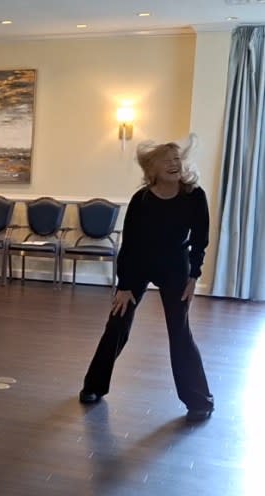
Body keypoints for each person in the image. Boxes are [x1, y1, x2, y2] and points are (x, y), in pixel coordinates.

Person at [79, 134, 214, 422]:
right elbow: (130, 244)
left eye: (176, 159)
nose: (174, 164)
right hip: (139, 266)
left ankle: (199, 400)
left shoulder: (194, 196)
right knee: (117, 325)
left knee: (180, 333)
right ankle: (93, 386)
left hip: (175, 268)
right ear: (151, 170)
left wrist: (194, 277)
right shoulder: (141, 200)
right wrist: (124, 285)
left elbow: (200, 241)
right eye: (166, 161)